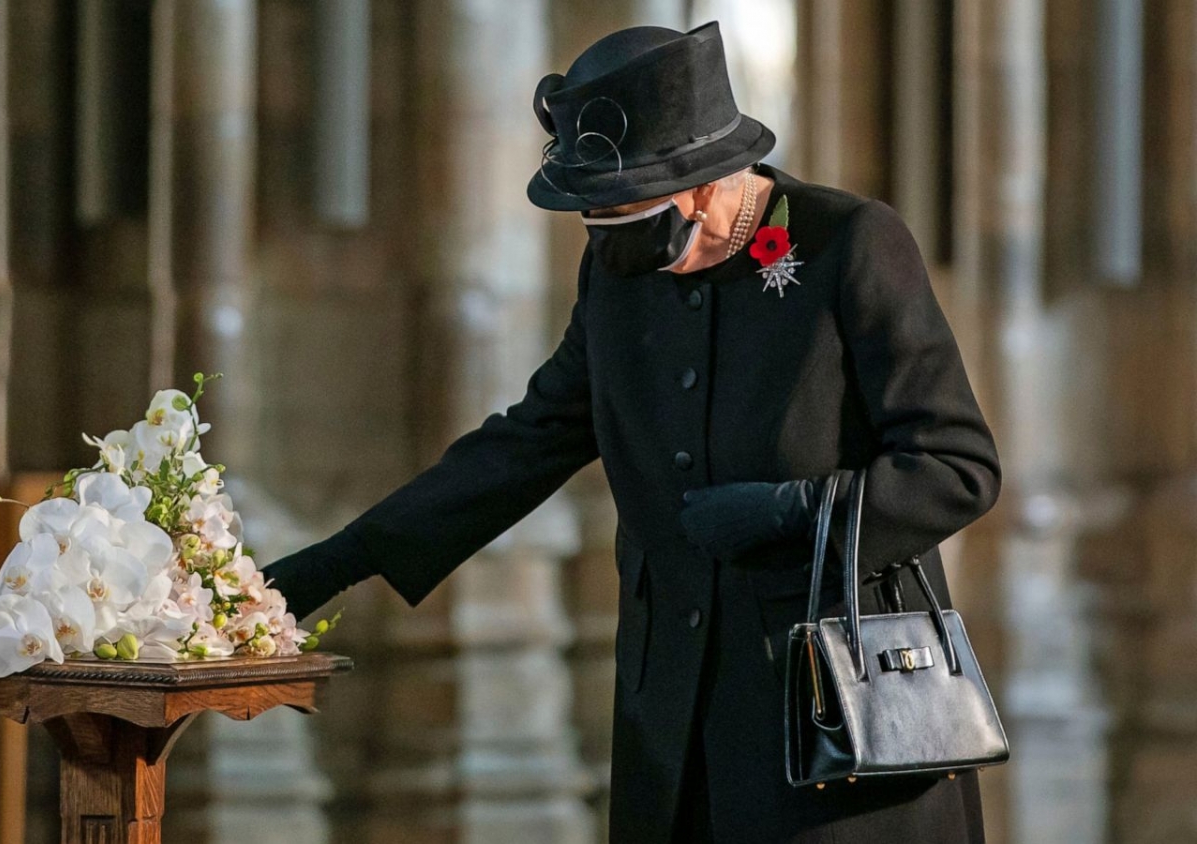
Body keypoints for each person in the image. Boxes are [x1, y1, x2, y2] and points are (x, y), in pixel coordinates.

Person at [264, 21, 1001, 844]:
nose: (612, 240)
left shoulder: (847, 244)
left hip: (836, 716)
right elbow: (533, 437)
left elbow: (958, 466)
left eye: (627, 214)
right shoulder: (616, 278)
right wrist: (341, 559)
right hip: (676, 723)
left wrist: (791, 513)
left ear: (703, 185)